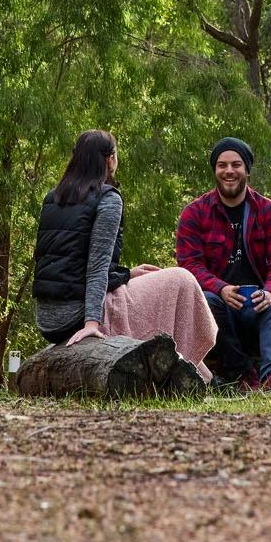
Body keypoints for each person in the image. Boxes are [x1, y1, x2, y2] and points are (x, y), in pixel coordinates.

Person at [30, 130, 217, 380]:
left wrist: (127, 274)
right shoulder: (107, 199)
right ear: (109, 160)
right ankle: (192, 369)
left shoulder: (52, 198)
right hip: (80, 315)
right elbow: (95, 267)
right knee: (180, 279)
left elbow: (68, 265)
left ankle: (202, 374)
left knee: (150, 279)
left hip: (48, 321)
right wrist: (92, 324)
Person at [174, 137, 271, 396]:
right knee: (207, 301)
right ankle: (242, 374)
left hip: (256, 306)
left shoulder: (268, 211)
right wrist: (220, 288)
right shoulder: (194, 213)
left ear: (247, 170)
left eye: (236, 165)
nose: (229, 171)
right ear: (215, 170)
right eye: (222, 165)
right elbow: (189, 265)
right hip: (217, 313)